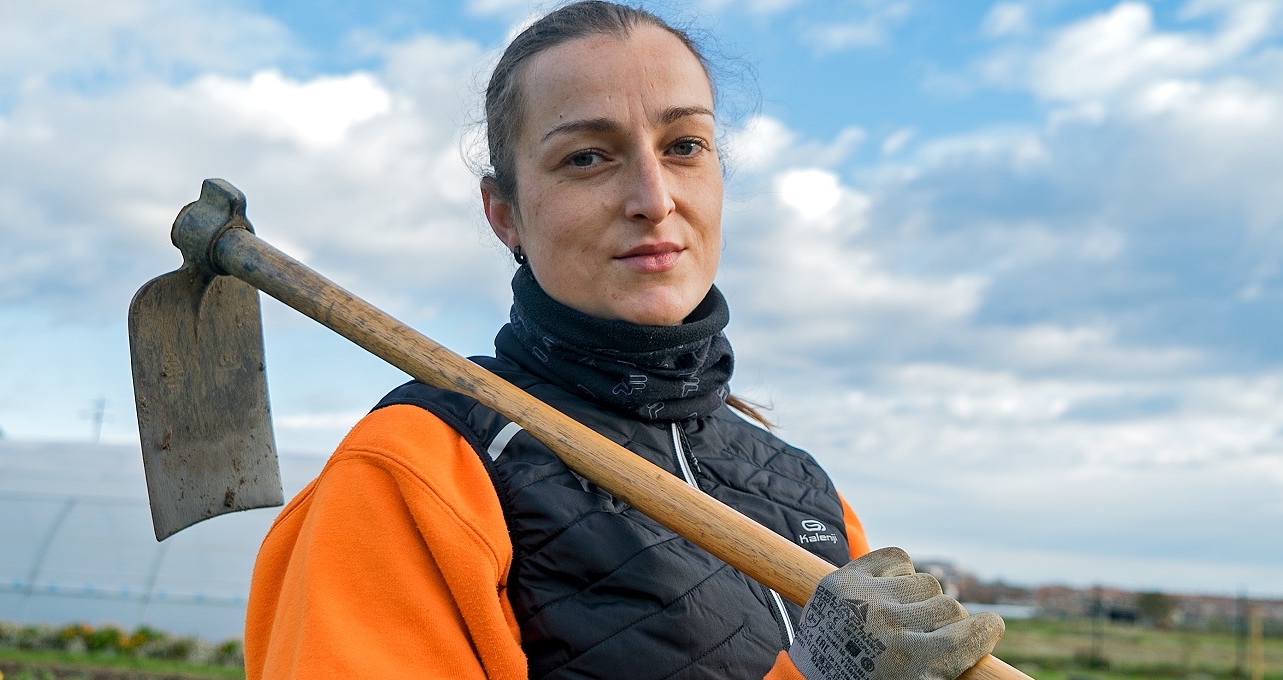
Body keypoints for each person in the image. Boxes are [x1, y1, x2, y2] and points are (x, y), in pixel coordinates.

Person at [242, 3, 1003, 679]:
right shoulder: (416, 467)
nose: (653, 198)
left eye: (685, 146)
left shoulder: (805, 488)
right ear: (504, 213)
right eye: (587, 157)